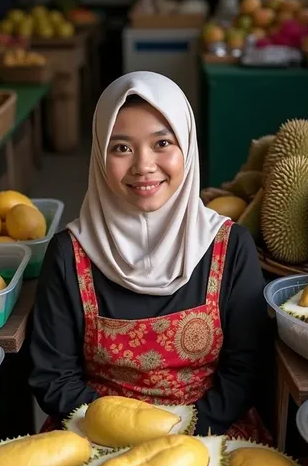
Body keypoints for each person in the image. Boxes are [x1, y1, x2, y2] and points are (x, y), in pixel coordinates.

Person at [29, 71, 273, 442]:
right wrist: (124, 438)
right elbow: (53, 378)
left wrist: (185, 434)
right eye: (121, 147)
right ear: (99, 153)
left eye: (162, 143)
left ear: (187, 147)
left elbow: (247, 368)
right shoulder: (69, 253)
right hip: (97, 437)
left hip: (210, 433)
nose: (143, 165)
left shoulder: (229, 245)